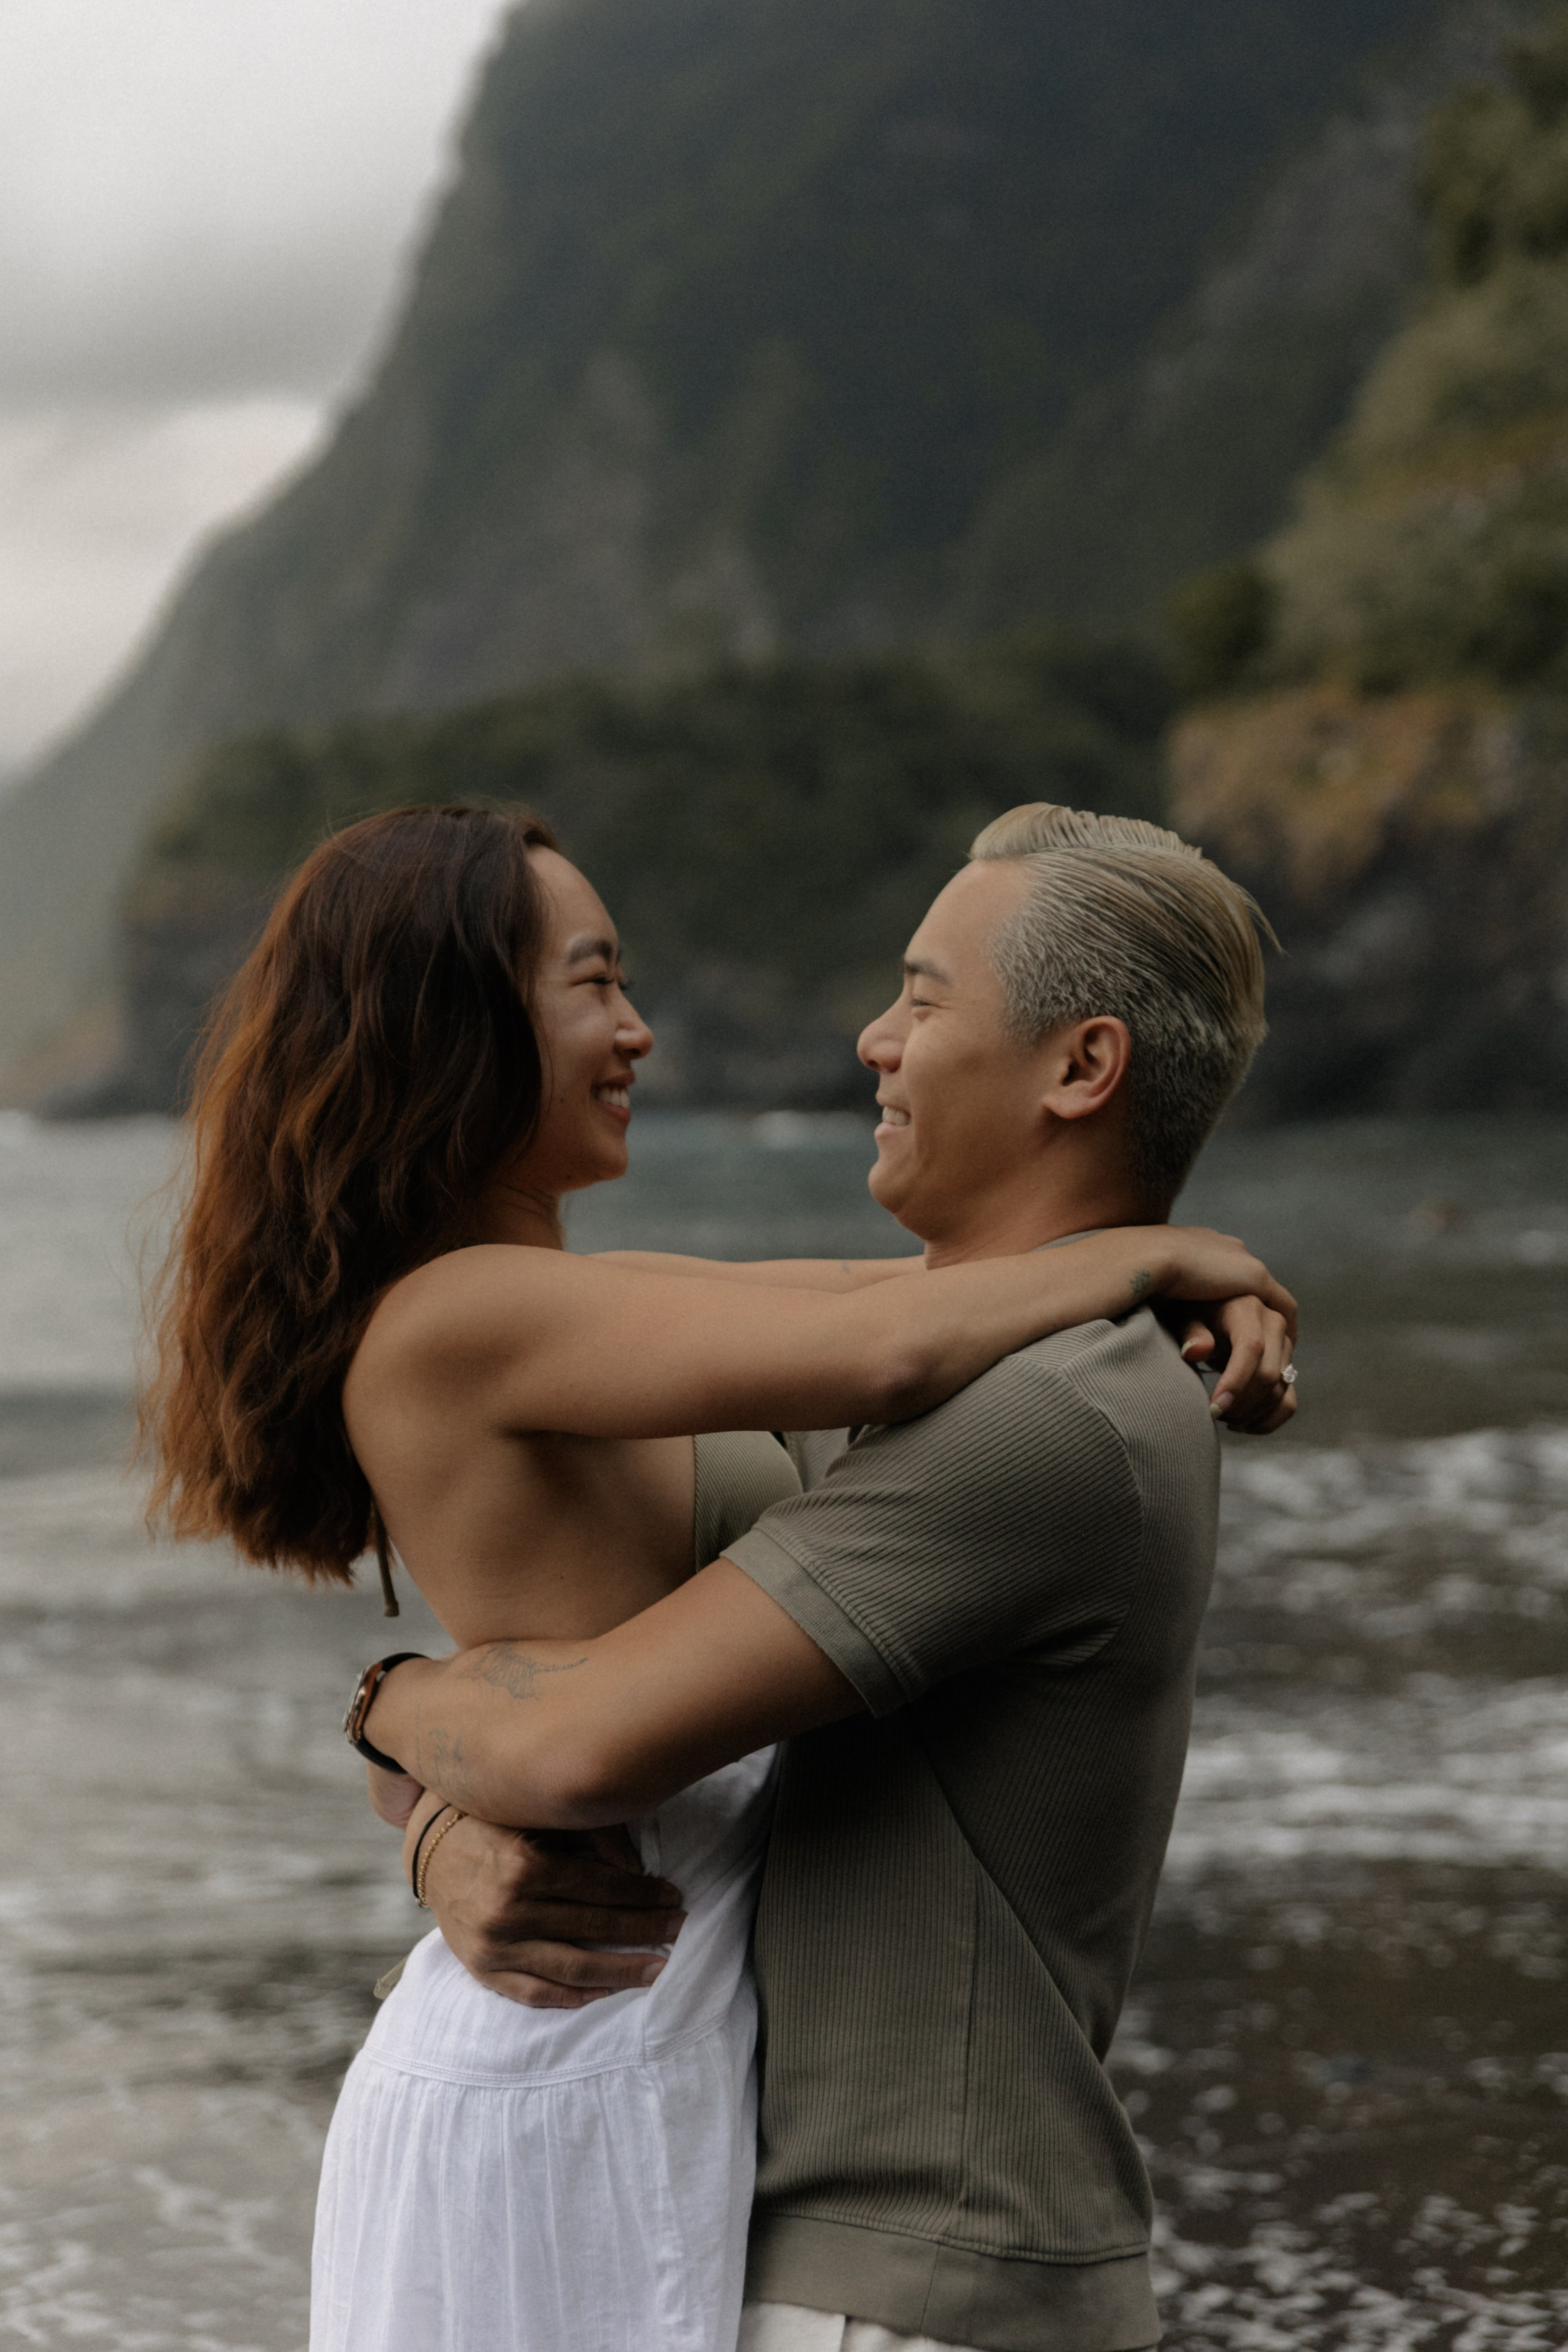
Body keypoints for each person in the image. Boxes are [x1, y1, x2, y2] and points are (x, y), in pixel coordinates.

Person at [141, 801, 1291, 2352]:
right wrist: (1146, 1258)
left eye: (921, 999)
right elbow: (884, 1340)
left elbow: (875, 1304)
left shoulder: (602, 1310)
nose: (639, 1029)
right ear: (455, 1027)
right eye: (593, 983)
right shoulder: (467, 1315)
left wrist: (1158, 1268)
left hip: (660, 2032)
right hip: (581, 2032)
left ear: (1080, 1069)